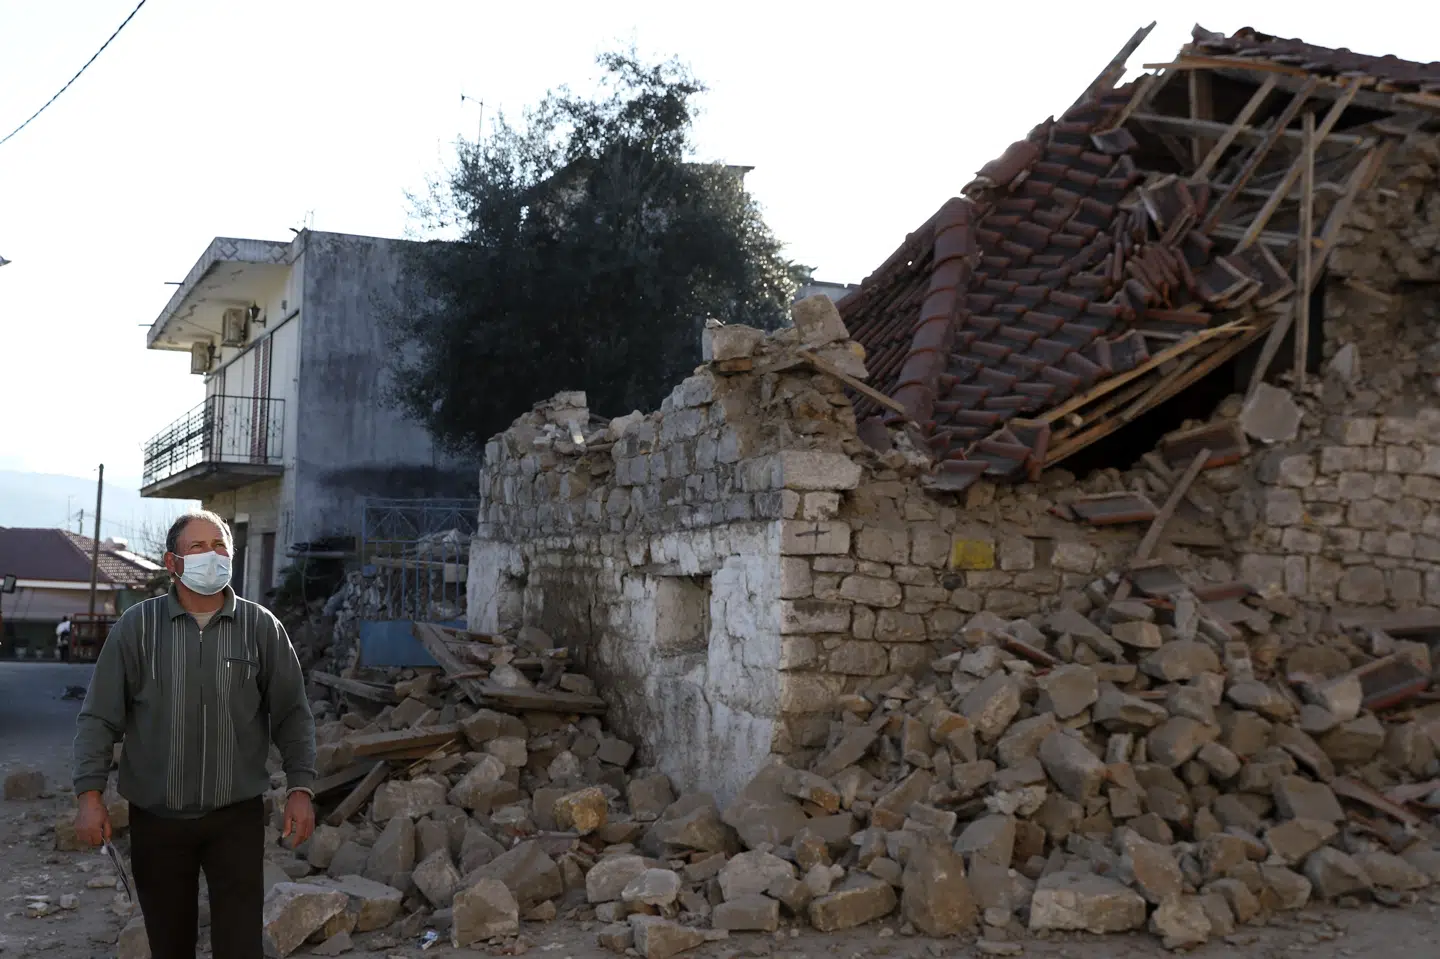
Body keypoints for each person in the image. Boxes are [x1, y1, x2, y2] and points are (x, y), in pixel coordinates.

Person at [72, 510, 316, 959]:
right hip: (157, 818)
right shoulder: (137, 628)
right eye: (199, 547)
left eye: (220, 546)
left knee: (240, 946)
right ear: (172, 562)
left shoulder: (261, 628)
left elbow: (292, 715)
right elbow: (99, 717)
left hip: (235, 817)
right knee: (170, 944)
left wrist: (301, 786)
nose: (212, 556)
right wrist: (90, 794)